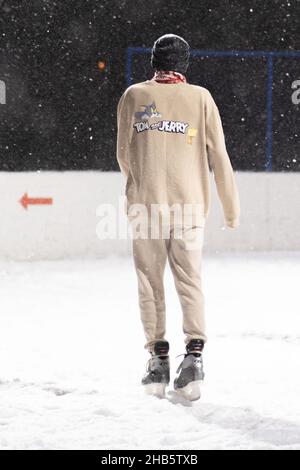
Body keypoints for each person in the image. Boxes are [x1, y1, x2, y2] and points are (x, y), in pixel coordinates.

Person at [116, 34, 240, 401]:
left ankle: (157, 360)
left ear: (154, 61)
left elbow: (124, 153)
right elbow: (219, 155)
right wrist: (230, 208)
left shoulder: (134, 96)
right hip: (189, 207)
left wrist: (143, 183)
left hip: (146, 205)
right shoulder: (200, 98)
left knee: (150, 282)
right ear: (185, 64)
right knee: (190, 281)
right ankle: (195, 359)